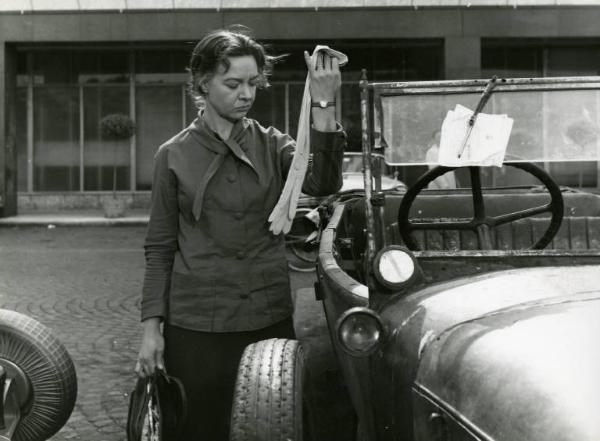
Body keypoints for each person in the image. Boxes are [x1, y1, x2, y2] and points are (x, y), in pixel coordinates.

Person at [135, 26, 346, 440]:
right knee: (198, 429)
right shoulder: (173, 155)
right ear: (202, 83)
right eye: (233, 84)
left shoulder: (274, 145)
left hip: (265, 320)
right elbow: (159, 247)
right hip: (195, 328)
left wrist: (324, 101)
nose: (246, 94)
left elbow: (322, 183)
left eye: (253, 83)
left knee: (275, 427)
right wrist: (150, 330)